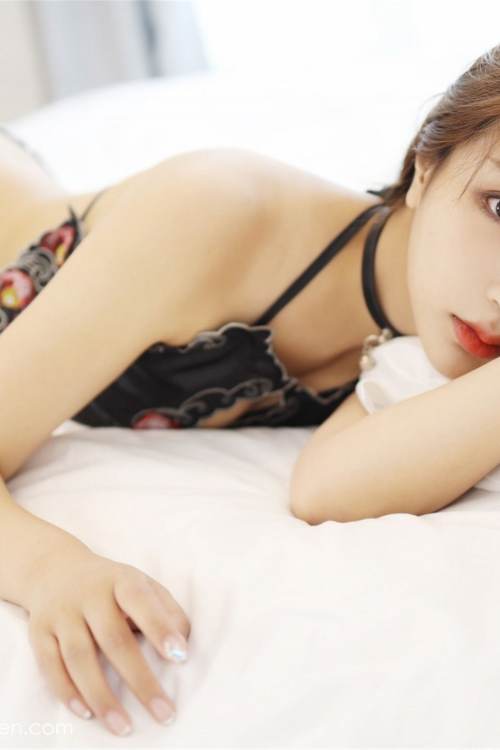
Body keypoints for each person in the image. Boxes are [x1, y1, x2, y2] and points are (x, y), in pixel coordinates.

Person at [1, 41, 500, 735]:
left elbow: (331, 488)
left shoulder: (439, 350)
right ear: (426, 166)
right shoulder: (215, 214)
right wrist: (52, 571)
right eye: (499, 207)